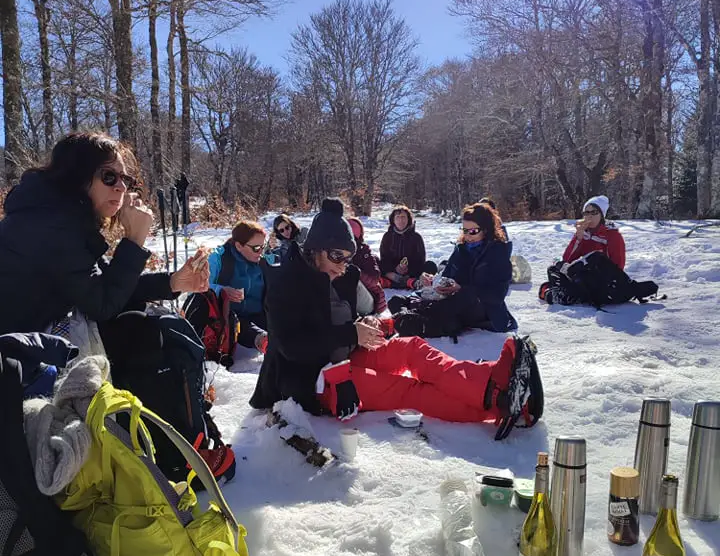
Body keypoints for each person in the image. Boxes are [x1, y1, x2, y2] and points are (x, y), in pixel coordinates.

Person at [251, 199, 541, 436]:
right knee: (409, 391)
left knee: (410, 348)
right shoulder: (286, 282)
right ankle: (497, 404)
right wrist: (351, 335)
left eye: (347, 258)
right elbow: (291, 346)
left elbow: (347, 319)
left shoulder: (342, 276)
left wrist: (364, 325)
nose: (343, 266)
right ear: (316, 249)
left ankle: (492, 378)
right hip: (310, 380)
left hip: (342, 355)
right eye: (337, 256)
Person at [0, 132, 208, 336]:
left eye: (125, 179)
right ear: (77, 177)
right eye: (109, 177)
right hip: (11, 357)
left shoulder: (60, 215)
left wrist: (173, 282)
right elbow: (102, 305)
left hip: (23, 346)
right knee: (146, 338)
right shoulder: (49, 224)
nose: (121, 187)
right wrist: (134, 241)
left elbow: (105, 286)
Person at [415, 202, 517, 333]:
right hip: (457, 305)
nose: (468, 236)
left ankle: (424, 319)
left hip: (485, 312)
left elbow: (497, 295)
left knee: (457, 301)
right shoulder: (461, 249)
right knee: (409, 299)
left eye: (473, 231)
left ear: (486, 229)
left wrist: (461, 288)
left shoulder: (498, 253)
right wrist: (436, 281)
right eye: (465, 231)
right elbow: (448, 274)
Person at [208, 220, 273, 353]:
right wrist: (221, 290)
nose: (261, 252)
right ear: (239, 246)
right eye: (256, 248)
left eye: (263, 246)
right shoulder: (219, 259)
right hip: (229, 317)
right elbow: (199, 286)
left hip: (260, 313)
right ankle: (262, 341)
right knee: (239, 325)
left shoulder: (265, 260)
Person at [562, 195, 625, 270]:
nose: (590, 216)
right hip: (586, 276)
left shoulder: (612, 235)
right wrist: (578, 238)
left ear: (602, 216)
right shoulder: (583, 233)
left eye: (594, 212)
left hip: (604, 278)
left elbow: (618, 267)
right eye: (586, 213)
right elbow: (567, 260)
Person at [379, 205, 427, 289]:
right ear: (393, 220)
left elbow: (421, 259)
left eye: (403, 217)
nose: (401, 220)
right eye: (397, 217)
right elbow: (384, 257)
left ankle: (406, 281)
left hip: (411, 271)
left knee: (430, 265)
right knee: (375, 262)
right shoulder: (387, 236)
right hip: (392, 272)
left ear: (408, 219)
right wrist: (395, 268)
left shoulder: (416, 237)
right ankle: (401, 281)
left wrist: (408, 269)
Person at [348, 217, 387, 315]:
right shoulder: (335, 252)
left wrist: (357, 273)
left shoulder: (364, 254)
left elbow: (374, 279)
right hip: (348, 302)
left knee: (351, 279)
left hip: (370, 303)